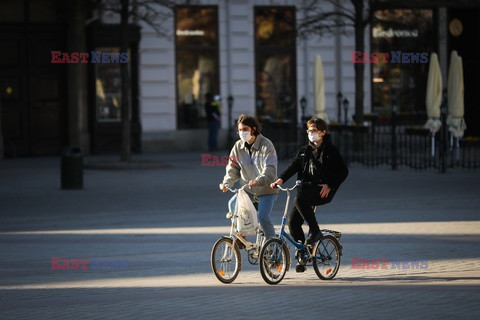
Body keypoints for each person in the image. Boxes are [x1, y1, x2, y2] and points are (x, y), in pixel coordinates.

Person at [271, 117, 348, 271]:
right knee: (293, 223)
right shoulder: (304, 151)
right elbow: (293, 167)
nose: (311, 134)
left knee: (300, 199)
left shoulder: (330, 150)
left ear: (323, 132)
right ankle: (303, 253)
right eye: (309, 131)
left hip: (322, 191)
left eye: (314, 131)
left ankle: (315, 231)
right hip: (306, 191)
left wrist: (330, 185)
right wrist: (279, 180)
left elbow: (343, 171)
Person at [219, 114, 279, 239]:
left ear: (254, 129)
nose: (242, 133)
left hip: (267, 190)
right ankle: (242, 236)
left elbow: (270, 169)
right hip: (248, 189)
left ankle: (273, 244)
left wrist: (258, 181)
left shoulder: (266, 145)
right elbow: (233, 167)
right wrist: (227, 183)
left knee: (263, 217)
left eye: (245, 129)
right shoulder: (238, 146)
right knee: (232, 204)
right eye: (240, 130)